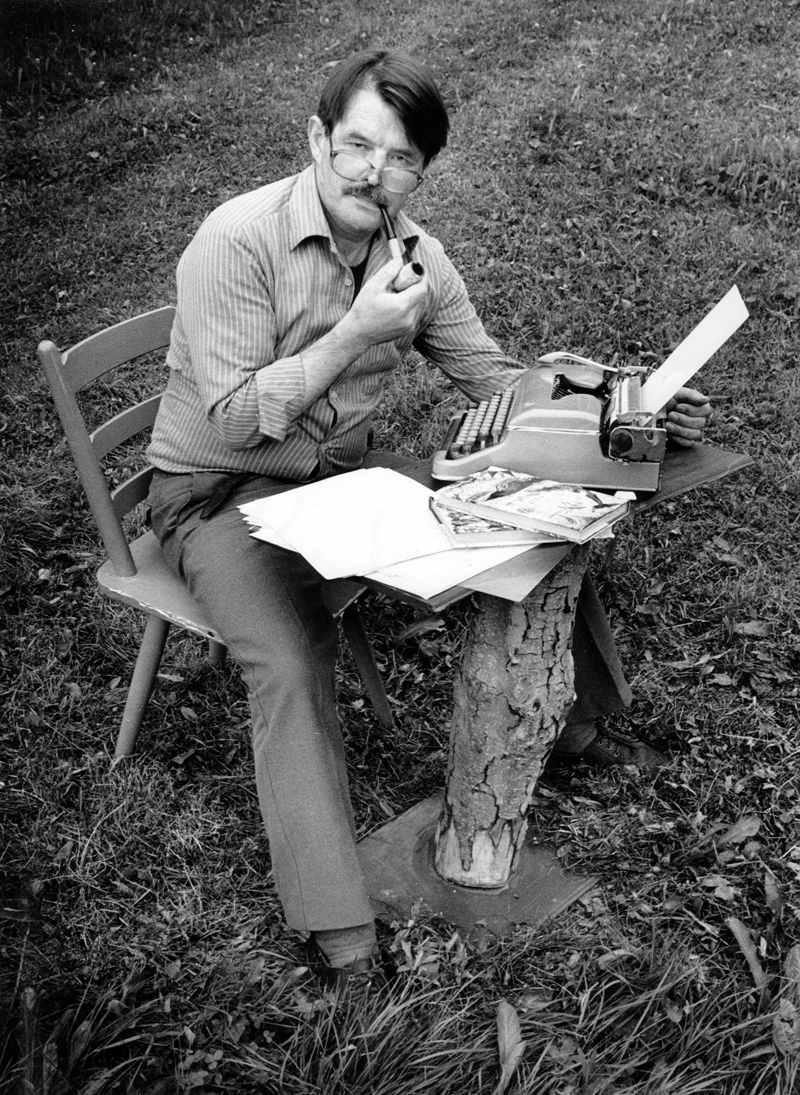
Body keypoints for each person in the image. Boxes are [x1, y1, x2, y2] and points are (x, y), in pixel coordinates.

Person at [145, 50, 711, 992]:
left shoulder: (415, 258)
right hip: (215, 489)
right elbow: (235, 419)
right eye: (356, 145)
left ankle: (574, 724)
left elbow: (495, 380)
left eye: (401, 157)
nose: (373, 173)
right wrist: (356, 334)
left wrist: (636, 403)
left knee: (543, 522)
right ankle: (340, 930)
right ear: (317, 139)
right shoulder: (236, 238)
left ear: (422, 170)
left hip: (336, 480)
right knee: (290, 657)